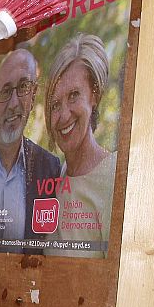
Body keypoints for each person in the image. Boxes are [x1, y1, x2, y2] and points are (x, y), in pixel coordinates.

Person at [0, 48, 61, 252]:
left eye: (23, 87)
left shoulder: (50, 167)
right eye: (5, 91)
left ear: (33, 96)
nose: (13, 103)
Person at [44, 33, 115, 258]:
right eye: (55, 105)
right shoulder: (55, 175)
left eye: (74, 95)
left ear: (94, 95)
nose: (64, 115)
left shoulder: (114, 177)